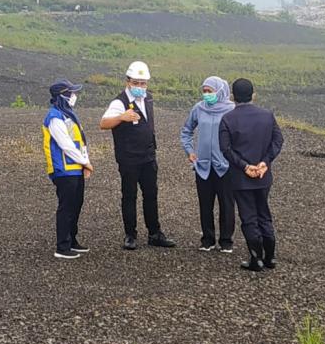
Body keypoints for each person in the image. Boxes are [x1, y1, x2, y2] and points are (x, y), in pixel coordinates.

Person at [100, 61, 176, 250]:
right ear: (128, 82)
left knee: (151, 195)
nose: (140, 87)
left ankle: (155, 233)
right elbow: (103, 123)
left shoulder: (148, 99)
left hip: (148, 156)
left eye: (143, 83)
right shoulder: (119, 102)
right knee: (129, 195)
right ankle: (130, 235)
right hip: (129, 158)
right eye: (136, 83)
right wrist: (121, 118)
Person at [219, 78, 284, 271]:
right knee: (264, 214)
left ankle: (256, 259)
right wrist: (265, 162)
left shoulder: (228, 119)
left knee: (248, 218)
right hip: (264, 176)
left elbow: (225, 149)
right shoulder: (267, 115)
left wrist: (245, 167)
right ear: (253, 95)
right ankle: (270, 257)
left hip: (241, 178)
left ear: (232, 96)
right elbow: (278, 140)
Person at [180, 76, 236, 253]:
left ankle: (226, 240)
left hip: (225, 166)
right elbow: (186, 131)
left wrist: (236, 158)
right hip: (203, 166)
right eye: (204, 91)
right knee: (205, 204)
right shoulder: (199, 108)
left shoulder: (231, 110)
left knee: (227, 204)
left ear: (220, 91)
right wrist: (190, 151)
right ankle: (208, 239)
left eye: (210, 91)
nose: (206, 95)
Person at [43, 79, 94, 260]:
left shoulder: (69, 115)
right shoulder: (55, 117)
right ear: (62, 96)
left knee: (76, 205)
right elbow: (65, 144)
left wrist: (84, 163)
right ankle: (62, 246)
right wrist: (85, 162)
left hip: (75, 169)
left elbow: (80, 143)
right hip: (63, 170)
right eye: (71, 93)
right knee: (66, 207)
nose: (74, 96)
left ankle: (72, 240)